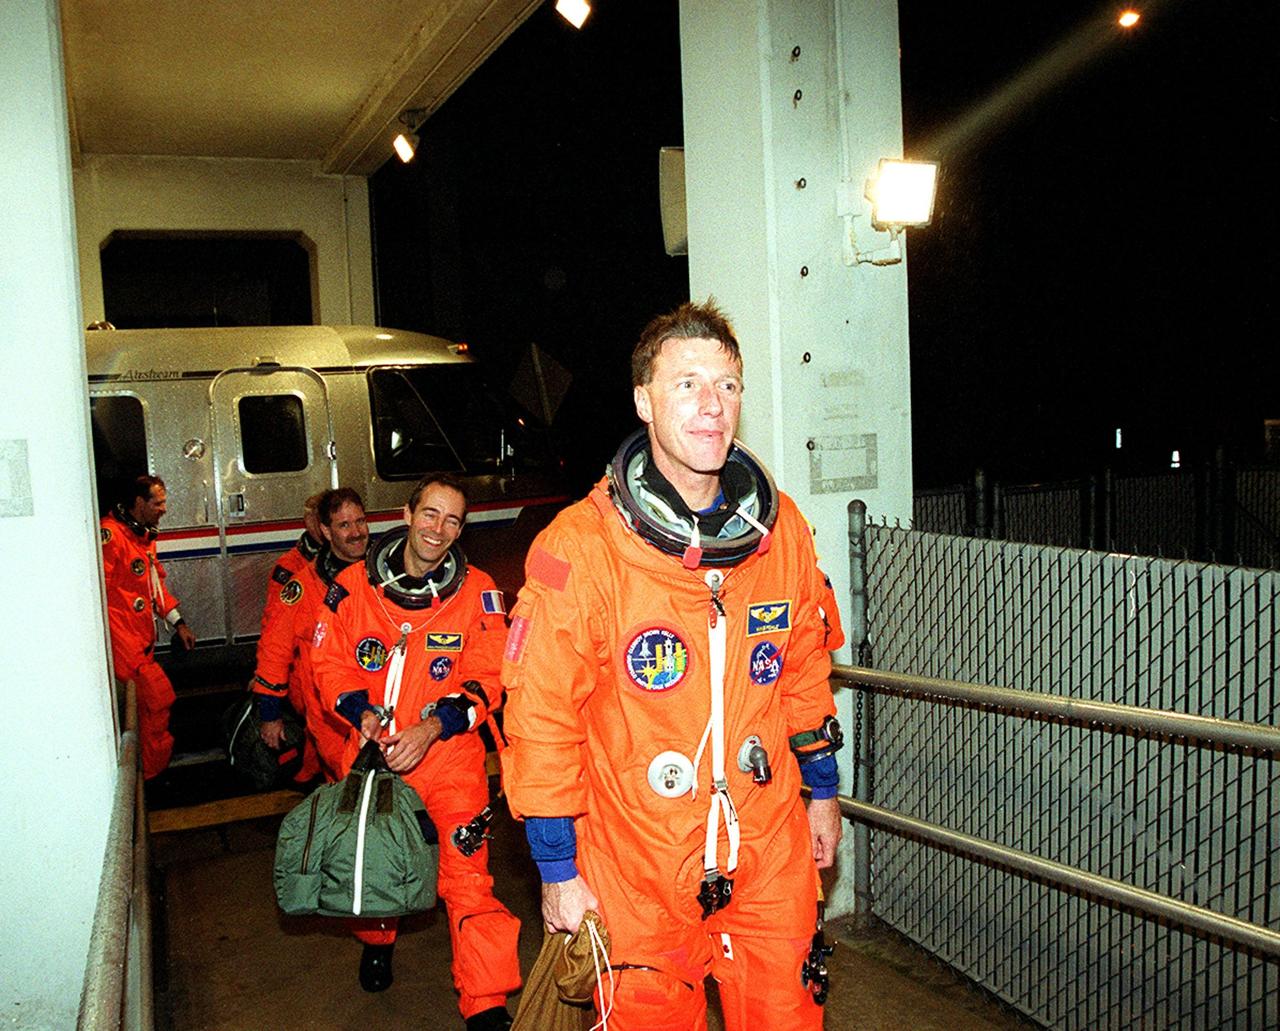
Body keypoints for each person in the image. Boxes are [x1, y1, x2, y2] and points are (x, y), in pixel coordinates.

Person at [500, 300, 845, 1030]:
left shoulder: (780, 531)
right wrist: (557, 870)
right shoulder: (581, 549)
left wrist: (821, 788)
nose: (711, 406)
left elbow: (804, 667)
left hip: (768, 846)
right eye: (686, 383)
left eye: (727, 385)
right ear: (643, 400)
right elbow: (541, 718)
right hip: (636, 860)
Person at [311, 474, 522, 1031]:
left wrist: (433, 727)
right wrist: (361, 713)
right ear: (407, 514)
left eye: (452, 520)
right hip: (374, 759)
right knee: (378, 870)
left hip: (448, 760)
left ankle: (486, 1004)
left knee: (468, 881)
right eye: (430, 514)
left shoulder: (480, 591)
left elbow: (490, 674)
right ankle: (378, 940)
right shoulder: (353, 587)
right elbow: (327, 662)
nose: (439, 529)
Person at [252, 488, 368, 781]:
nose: (356, 533)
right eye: (344, 525)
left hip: (381, 702)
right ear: (326, 531)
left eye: (360, 522)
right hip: (331, 712)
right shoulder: (301, 588)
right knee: (350, 783)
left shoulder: (383, 574)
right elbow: (274, 649)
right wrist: (270, 714)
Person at [99, 475, 196, 780]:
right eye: (158, 503)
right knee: (157, 700)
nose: (163, 509)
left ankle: (144, 775)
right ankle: (150, 780)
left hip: (141, 644)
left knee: (145, 714)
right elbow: (98, 593)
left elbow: (155, 587)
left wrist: (177, 621)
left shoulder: (142, 537)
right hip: (124, 646)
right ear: (139, 503)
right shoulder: (111, 536)